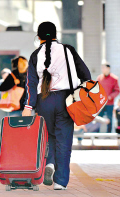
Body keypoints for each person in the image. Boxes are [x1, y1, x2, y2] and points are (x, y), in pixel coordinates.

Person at [22, 22, 91, 190]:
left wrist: (28, 107)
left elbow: (30, 84)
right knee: (64, 140)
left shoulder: (35, 55)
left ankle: (50, 162)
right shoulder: (68, 50)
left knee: (48, 136)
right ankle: (60, 181)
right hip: (66, 100)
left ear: (38, 37)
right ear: (55, 35)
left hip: (43, 100)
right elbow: (86, 75)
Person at [97, 64, 120, 133]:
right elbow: (96, 89)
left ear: (108, 69)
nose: (103, 69)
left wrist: (110, 96)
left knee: (109, 119)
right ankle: (96, 135)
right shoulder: (99, 78)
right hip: (100, 103)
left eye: (104, 68)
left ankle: (109, 135)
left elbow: (117, 90)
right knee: (98, 119)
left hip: (110, 103)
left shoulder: (114, 79)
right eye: (102, 68)